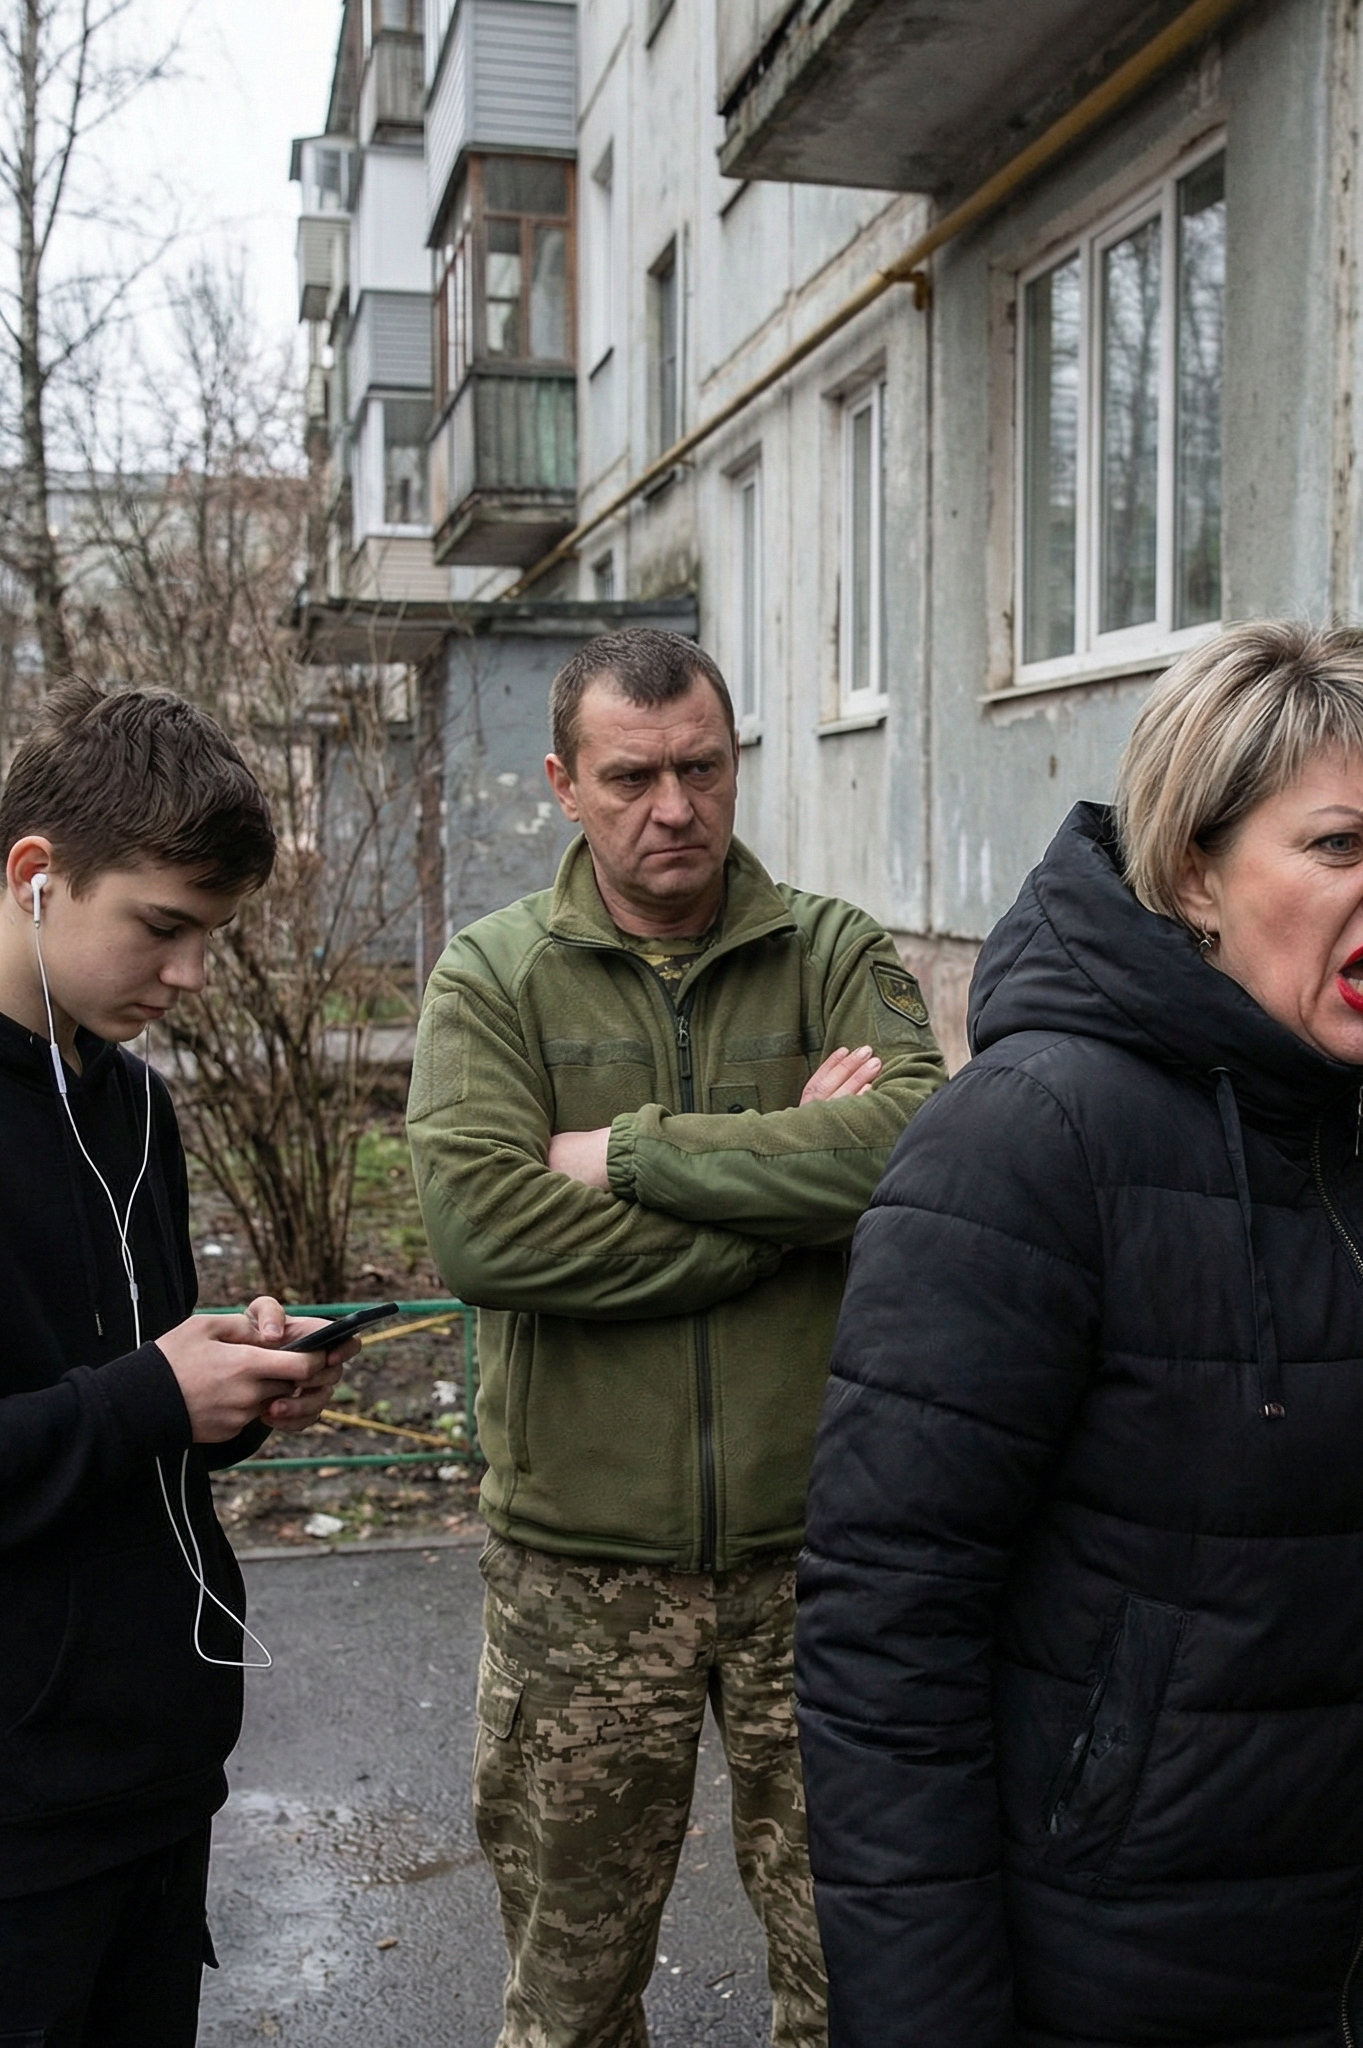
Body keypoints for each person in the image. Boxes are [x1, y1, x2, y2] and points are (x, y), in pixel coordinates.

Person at [796, 620, 1363, 2047]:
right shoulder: (1029, 1143)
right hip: (1109, 1979)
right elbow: (883, 1638)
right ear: (1195, 870)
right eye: (1340, 846)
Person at [407, 625, 948, 2048]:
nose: (675, 808)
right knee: (572, 1994)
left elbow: (916, 1147)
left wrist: (631, 1153)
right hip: (579, 1575)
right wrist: (787, 1190)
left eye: (702, 768)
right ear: (565, 786)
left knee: (864, 1978)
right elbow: (485, 1235)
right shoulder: (494, 979)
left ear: (733, 761)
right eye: (633, 775)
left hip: (823, 1560)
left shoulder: (830, 950)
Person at [0, 681, 357, 2046]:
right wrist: (149, 1397)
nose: (186, 978)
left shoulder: (131, 1097)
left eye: (209, 938)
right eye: (162, 929)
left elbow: (120, 1398)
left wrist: (235, 1394)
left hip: (154, 1785)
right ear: (36, 875)